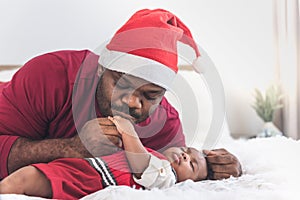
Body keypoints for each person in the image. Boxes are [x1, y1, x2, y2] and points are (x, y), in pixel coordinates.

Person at [0, 8, 241, 180]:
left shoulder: (166, 124)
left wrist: (218, 167)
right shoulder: (50, 75)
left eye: (150, 95)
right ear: (101, 70)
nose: (133, 103)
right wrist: (70, 149)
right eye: (122, 85)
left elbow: (173, 174)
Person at [0, 116, 208, 199]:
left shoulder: (166, 177)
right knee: (24, 177)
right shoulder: (154, 154)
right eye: (187, 151)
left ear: (189, 183)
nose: (184, 156)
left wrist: (128, 133)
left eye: (192, 164)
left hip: (87, 180)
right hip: (82, 168)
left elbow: (143, 168)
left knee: (25, 178)